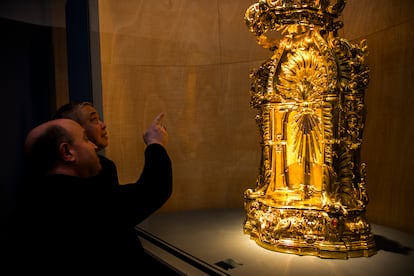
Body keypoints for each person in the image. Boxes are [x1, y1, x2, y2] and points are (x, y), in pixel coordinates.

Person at [7, 114, 173, 273]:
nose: (94, 146)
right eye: (86, 139)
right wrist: (155, 143)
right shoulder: (80, 201)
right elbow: (152, 190)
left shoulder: (33, 199)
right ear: (67, 152)